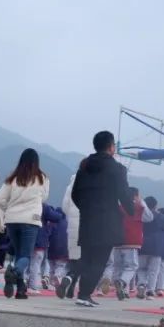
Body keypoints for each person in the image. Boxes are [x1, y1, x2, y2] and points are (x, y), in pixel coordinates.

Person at [71, 131, 134, 307]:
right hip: (107, 221)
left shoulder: (84, 167)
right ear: (111, 147)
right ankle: (84, 295)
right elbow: (124, 193)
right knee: (99, 260)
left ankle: (80, 290)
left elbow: (75, 194)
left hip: (87, 218)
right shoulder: (118, 169)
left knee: (87, 257)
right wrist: (130, 210)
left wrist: (86, 209)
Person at [0, 148, 50, 299]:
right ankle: (14, 273)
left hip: (12, 220)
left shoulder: (12, 178)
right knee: (25, 255)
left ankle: (21, 290)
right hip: (30, 220)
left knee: (19, 254)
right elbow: (44, 198)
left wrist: (10, 209)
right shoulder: (42, 178)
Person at [109, 188, 153, 300]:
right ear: (136, 196)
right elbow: (149, 217)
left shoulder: (118, 207)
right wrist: (142, 202)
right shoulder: (138, 208)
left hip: (117, 241)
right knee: (131, 266)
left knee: (118, 266)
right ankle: (122, 282)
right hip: (132, 241)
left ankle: (123, 290)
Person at [136, 196, 164, 299]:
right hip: (157, 246)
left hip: (142, 244)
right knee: (153, 271)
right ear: (155, 206)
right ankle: (150, 291)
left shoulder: (141, 215)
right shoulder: (161, 217)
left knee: (141, 268)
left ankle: (141, 284)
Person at [57, 172, 81, 300]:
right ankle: (70, 278)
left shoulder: (71, 185)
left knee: (74, 259)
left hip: (72, 226)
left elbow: (65, 206)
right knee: (84, 260)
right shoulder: (93, 180)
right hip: (87, 225)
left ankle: (70, 288)